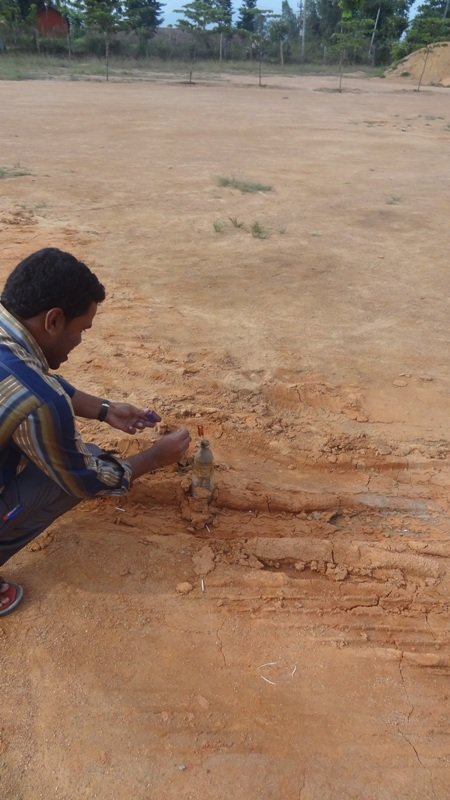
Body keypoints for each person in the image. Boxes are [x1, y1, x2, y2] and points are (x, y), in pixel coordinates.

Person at [0, 247, 191, 616]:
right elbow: (83, 480)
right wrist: (155, 457)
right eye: (82, 330)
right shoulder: (41, 400)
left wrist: (105, 410)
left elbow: (28, 378)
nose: (80, 342)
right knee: (70, 469)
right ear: (54, 321)